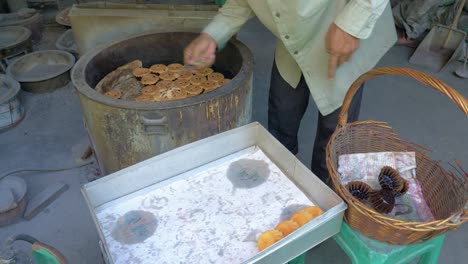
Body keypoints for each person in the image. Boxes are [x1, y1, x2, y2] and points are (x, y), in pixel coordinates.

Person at [184, 1, 397, 184]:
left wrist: (352, 24)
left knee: (334, 137)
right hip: (293, 39)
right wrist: (213, 35)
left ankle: (325, 202)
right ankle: (281, 182)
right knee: (281, 113)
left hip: (343, 37)